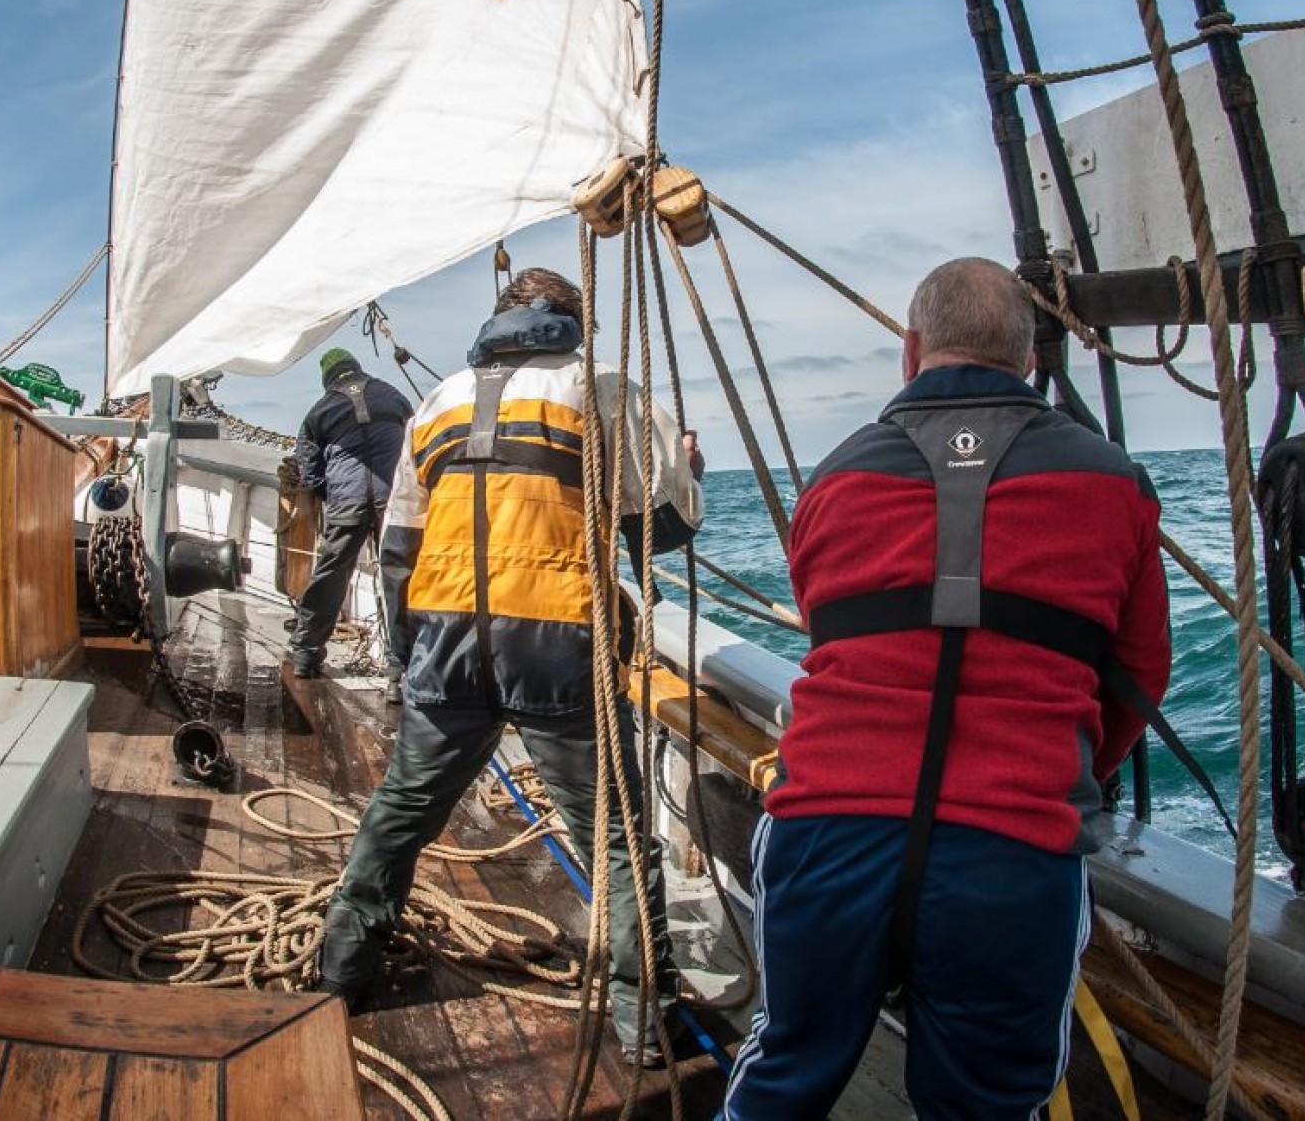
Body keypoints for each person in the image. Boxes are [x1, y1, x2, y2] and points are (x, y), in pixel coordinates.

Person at [721, 257, 1171, 1119]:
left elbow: (830, 637)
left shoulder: (834, 480)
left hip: (827, 836)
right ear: (1031, 357)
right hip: (1010, 854)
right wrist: (1071, 770)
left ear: (911, 349)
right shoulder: (1114, 484)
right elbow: (1141, 672)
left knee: (782, 1077)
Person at [317, 267, 704, 1066]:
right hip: (558, 644)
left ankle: (341, 971)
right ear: (571, 320)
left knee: (401, 812)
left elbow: (397, 550)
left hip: (448, 643)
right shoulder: (600, 389)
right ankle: (641, 1028)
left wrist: (407, 661)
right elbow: (659, 528)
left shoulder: (439, 401)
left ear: (500, 320)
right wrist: (688, 471)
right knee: (620, 843)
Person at [285, 347, 414, 688]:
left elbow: (309, 467)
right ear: (356, 369)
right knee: (398, 577)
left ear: (328, 378)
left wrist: (332, 495)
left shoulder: (320, 410)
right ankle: (400, 670)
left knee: (331, 574)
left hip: (346, 501)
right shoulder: (393, 395)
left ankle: (306, 654)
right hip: (392, 500)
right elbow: (416, 438)